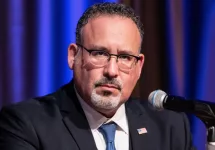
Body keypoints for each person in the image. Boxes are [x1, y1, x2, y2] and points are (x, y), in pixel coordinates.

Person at [0, 2, 194, 150]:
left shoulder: (170, 127)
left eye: (125, 57)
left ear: (139, 66)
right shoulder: (26, 124)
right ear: (73, 56)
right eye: (99, 53)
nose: (112, 70)